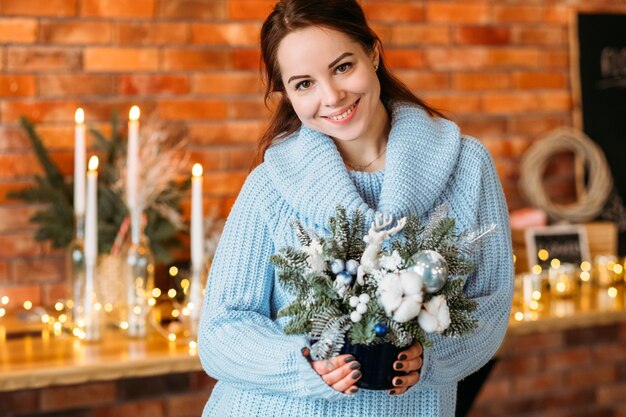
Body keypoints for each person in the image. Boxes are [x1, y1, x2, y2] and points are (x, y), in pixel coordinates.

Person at [198, 0, 514, 416]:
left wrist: (433, 357)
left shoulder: (466, 166)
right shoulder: (270, 185)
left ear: (374, 53)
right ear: (287, 94)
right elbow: (220, 331)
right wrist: (303, 363)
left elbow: (489, 305)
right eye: (304, 84)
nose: (331, 96)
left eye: (343, 67)